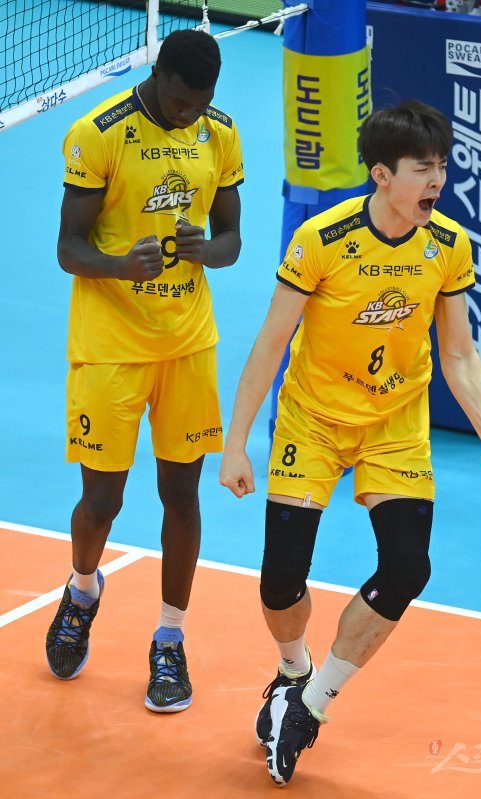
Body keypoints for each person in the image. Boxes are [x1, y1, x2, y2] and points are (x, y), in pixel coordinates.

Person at [219, 100, 481, 784]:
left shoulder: (447, 245)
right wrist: (235, 443)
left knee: (408, 567)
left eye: (442, 166)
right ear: (382, 174)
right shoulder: (321, 240)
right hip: (313, 419)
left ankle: (312, 704)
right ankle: (293, 670)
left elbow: (458, 353)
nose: (436, 181)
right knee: (280, 581)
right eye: (422, 169)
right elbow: (272, 343)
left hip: (394, 423)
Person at [45, 28, 243, 713]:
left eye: (201, 103)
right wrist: (119, 266)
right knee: (102, 501)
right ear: (158, 75)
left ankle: (169, 638)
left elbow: (231, 240)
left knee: (181, 496)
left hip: (187, 342)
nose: (190, 114)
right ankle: (81, 590)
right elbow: (69, 248)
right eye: (182, 101)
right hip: (109, 345)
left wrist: (206, 250)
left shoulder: (219, 132)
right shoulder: (97, 135)